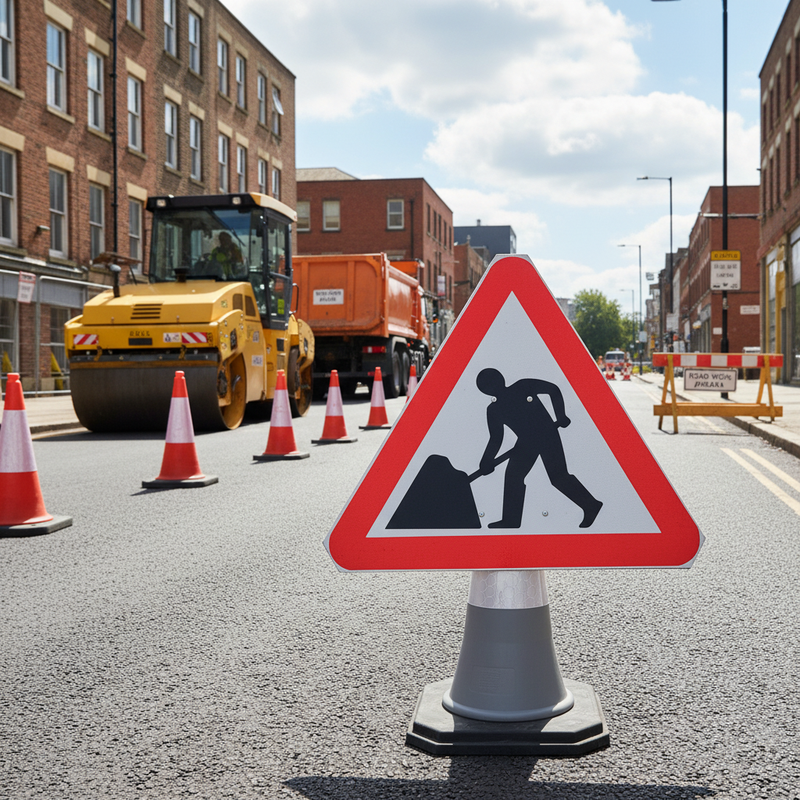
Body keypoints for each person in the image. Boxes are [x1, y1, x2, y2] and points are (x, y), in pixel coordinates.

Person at [476, 368, 603, 529]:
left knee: (558, 476)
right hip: (526, 442)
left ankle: (591, 505)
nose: (491, 388)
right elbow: (496, 438)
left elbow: (553, 389)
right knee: (513, 477)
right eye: (487, 386)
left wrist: (560, 416)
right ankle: (511, 520)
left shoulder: (522, 386)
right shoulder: (494, 409)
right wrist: (486, 460)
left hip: (547, 434)